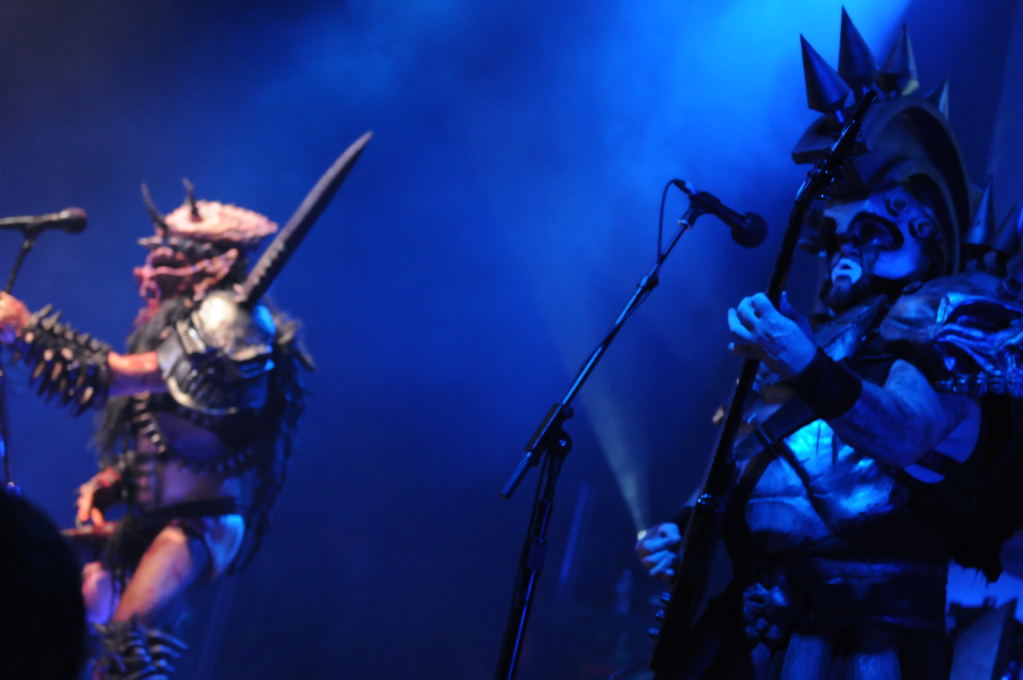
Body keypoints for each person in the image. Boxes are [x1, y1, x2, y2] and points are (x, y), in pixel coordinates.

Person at [636, 13, 1023, 679]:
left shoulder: (947, 310)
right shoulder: (822, 339)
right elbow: (760, 458)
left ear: (926, 235)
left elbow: (906, 433)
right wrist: (685, 526)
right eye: (842, 233)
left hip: (866, 637)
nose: (851, 245)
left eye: (878, 228)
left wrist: (804, 363)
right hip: (750, 620)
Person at [0, 183, 310, 679]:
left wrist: (25, 328)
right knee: (77, 611)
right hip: (146, 519)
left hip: (199, 523)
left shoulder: (233, 324)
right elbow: (182, 428)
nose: (146, 272)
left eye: (168, 258)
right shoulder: (178, 328)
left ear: (217, 263)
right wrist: (119, 478)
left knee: (129, 641)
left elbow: (120, 377)